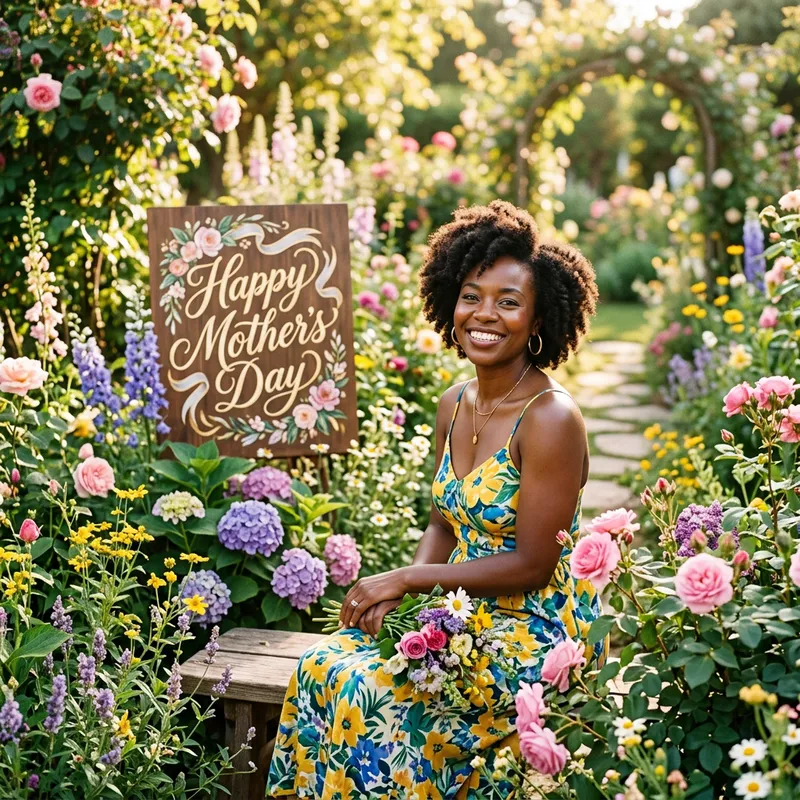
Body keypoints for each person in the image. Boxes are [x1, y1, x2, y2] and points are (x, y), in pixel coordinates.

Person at [266, 200, 605, 799]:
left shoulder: (551, 418)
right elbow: (443, 523)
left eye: (508, 302)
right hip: (456, 610)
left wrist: (407, 580)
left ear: (539, 319)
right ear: (450, 299)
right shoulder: (455, 403)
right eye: (471, 295)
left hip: (527, 633)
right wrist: (410, 607)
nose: (485, 315)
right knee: (321, 666)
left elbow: (534, 564)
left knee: (366, 694)